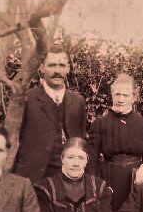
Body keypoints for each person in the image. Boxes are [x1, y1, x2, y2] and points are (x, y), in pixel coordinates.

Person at [13, 47, 87, 184]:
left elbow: (81, 141)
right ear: (42, 68)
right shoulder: (27, 99)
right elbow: (13, 140)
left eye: (62, 65)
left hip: (68, 178)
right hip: (33, 177)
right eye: (52, 65)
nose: (57, 71)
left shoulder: (78, 101)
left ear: (68, 69)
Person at [87, 73, 143, 209]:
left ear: (133, 97)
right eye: (117, 94)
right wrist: (94, 187)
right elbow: (92, 160)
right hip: (109, 177)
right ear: (112, 95)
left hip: (136, 178)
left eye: (125, 95)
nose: (120, 99)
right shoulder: (100, 123)